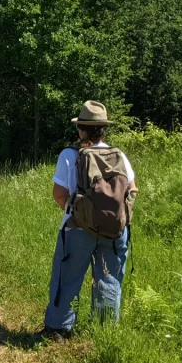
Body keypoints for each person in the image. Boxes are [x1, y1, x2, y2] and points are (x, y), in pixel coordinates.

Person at [41, 100, 137, 340]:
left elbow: (59, 194)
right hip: (115, 231)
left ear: (81, 129)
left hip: (77, 229)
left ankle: (58, 329)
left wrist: (80, 215)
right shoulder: (119, 156)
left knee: (67, 276)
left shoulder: (69, 155)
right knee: (109, 279)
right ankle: (103, 333)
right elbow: (133, 190)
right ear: (103, 129)